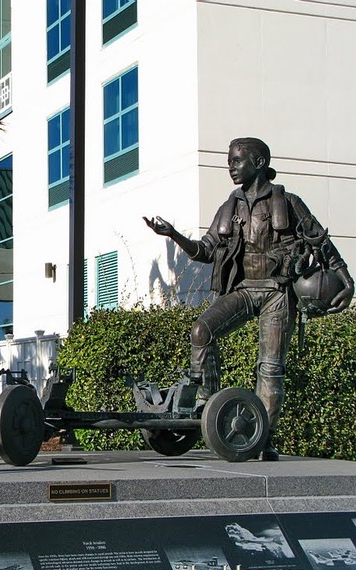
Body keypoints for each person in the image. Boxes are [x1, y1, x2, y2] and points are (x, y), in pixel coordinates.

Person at [144, 137, 353, 461]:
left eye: (236, 161)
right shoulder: (229, 207)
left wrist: (346, 281)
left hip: (277, 293)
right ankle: (207, 406)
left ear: (258, 163)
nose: (230, 167)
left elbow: (320, 242)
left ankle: (263, 437)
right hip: (243, 289)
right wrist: (173, 235)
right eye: (229, 161)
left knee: (270, 369)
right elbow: (205, 250)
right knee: (201, 332)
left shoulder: (289, 202)